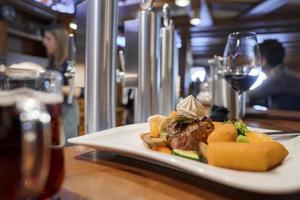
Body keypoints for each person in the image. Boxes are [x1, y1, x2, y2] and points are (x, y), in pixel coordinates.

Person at [43, 25, 81, 143]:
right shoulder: (52, 62)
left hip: (68, 111)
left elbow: (76, 91)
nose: (44, 42)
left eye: (48, 39)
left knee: (67, 149)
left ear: (58, 42)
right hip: (54, 110)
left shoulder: (70, 63)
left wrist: (51, 86)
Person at [248, 39, 300, 110]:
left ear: (263, 60)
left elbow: (250, 96)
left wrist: (247, 69)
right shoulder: (283, 74)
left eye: (254, 58)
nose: (252, 62)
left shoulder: (279, 77)